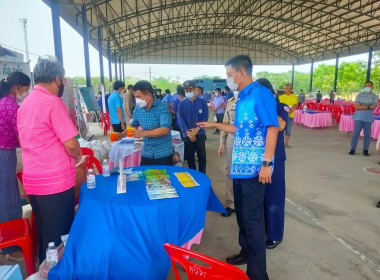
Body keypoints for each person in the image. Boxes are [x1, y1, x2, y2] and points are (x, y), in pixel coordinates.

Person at [198, 55, 278, 280]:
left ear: (241, 73)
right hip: (239, 168)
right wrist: (214, 124)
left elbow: (272, 129)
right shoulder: (241, 99)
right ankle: (246, 252)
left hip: (255, 169)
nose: (228, 79)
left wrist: (266, 164)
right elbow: (239, 129)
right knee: (242, 216)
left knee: (253, 221)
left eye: (229, 74)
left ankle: (258, 275)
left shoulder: (260, 94)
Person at [17, 57, 82, 263]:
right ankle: (56, 273)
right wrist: (78, 154)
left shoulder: (25, 105)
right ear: (56, 79)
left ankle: (45, 270)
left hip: (33, 181)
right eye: (62, 81)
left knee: (46, 232)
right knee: (60, 237)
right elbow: (71, 145)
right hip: (54, 183)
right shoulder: (52, 103)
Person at [0, 71, 31, 261]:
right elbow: (22, 136)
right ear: (17, 87)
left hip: (3, 151)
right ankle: (10, 246)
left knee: (4, 195)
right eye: (25, 90)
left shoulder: (3, 101)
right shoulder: (11, 106)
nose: (25, 94)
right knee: (8, 198)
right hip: (4, 153)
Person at [257, 78, 288, 250]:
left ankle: (275, 234)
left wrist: (268, 104)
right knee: (259, 197)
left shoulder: (281, 106)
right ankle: (262, 230)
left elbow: (281, 125)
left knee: (274, 197)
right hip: (257, 158)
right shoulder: (255, 107)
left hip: (275, 159)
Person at [121, 80, 173, 165]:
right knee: (144, 176)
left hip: (163, 153)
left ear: (148, 95)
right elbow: (133, 125)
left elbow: (165, 129)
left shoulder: (162, 107)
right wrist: (121, 135)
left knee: (165, 177)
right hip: (147, 152)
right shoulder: (138, 109)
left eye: (138, 96)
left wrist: (143, 133)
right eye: (135, 97)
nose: (136, 100)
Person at [178, 80, 208, 174]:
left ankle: (202, 174)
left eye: (190, 89)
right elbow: (181, 119)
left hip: (199, 133)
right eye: (186, 90)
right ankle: (193, 174)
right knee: (190, 156)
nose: (188, 91)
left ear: (195, 89)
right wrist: (188, 132)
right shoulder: (182, 104)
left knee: (201, 155)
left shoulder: (202, 102)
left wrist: (197, 129)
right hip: (187, 134)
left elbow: (205, 117)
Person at [218, 90, 239, 217]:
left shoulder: (251, 100)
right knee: (230, 171)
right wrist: (222, 142)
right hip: (231, 140)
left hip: (248, 141)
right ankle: (231, 203)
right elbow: (225, 124)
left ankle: (243, 203)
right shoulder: (231, 103)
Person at [349, 81, 378, 156]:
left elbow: (373, 107)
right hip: (358, 117)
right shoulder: (359, 95)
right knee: (355, 133)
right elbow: (356, 107)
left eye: (369, 86)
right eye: (365, 86)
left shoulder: (375, 96)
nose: (367, 87)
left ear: (372, 87)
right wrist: (368, 106)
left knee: (367, 135)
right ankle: (353, 148)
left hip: (368, 118)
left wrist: (362, 106)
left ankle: (365, 149)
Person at [279, 83, 298, 147]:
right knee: (281, 129)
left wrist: (289, 113)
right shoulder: (281, 97)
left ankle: (286, 143)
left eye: (286, 88)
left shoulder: (294, 97)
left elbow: (294, 105)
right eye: (284, 88)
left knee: (288, 130)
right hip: (282, 117)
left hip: (290, 117)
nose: (285, 89)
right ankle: (280, 143)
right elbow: (280, 106)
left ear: (290, 89)